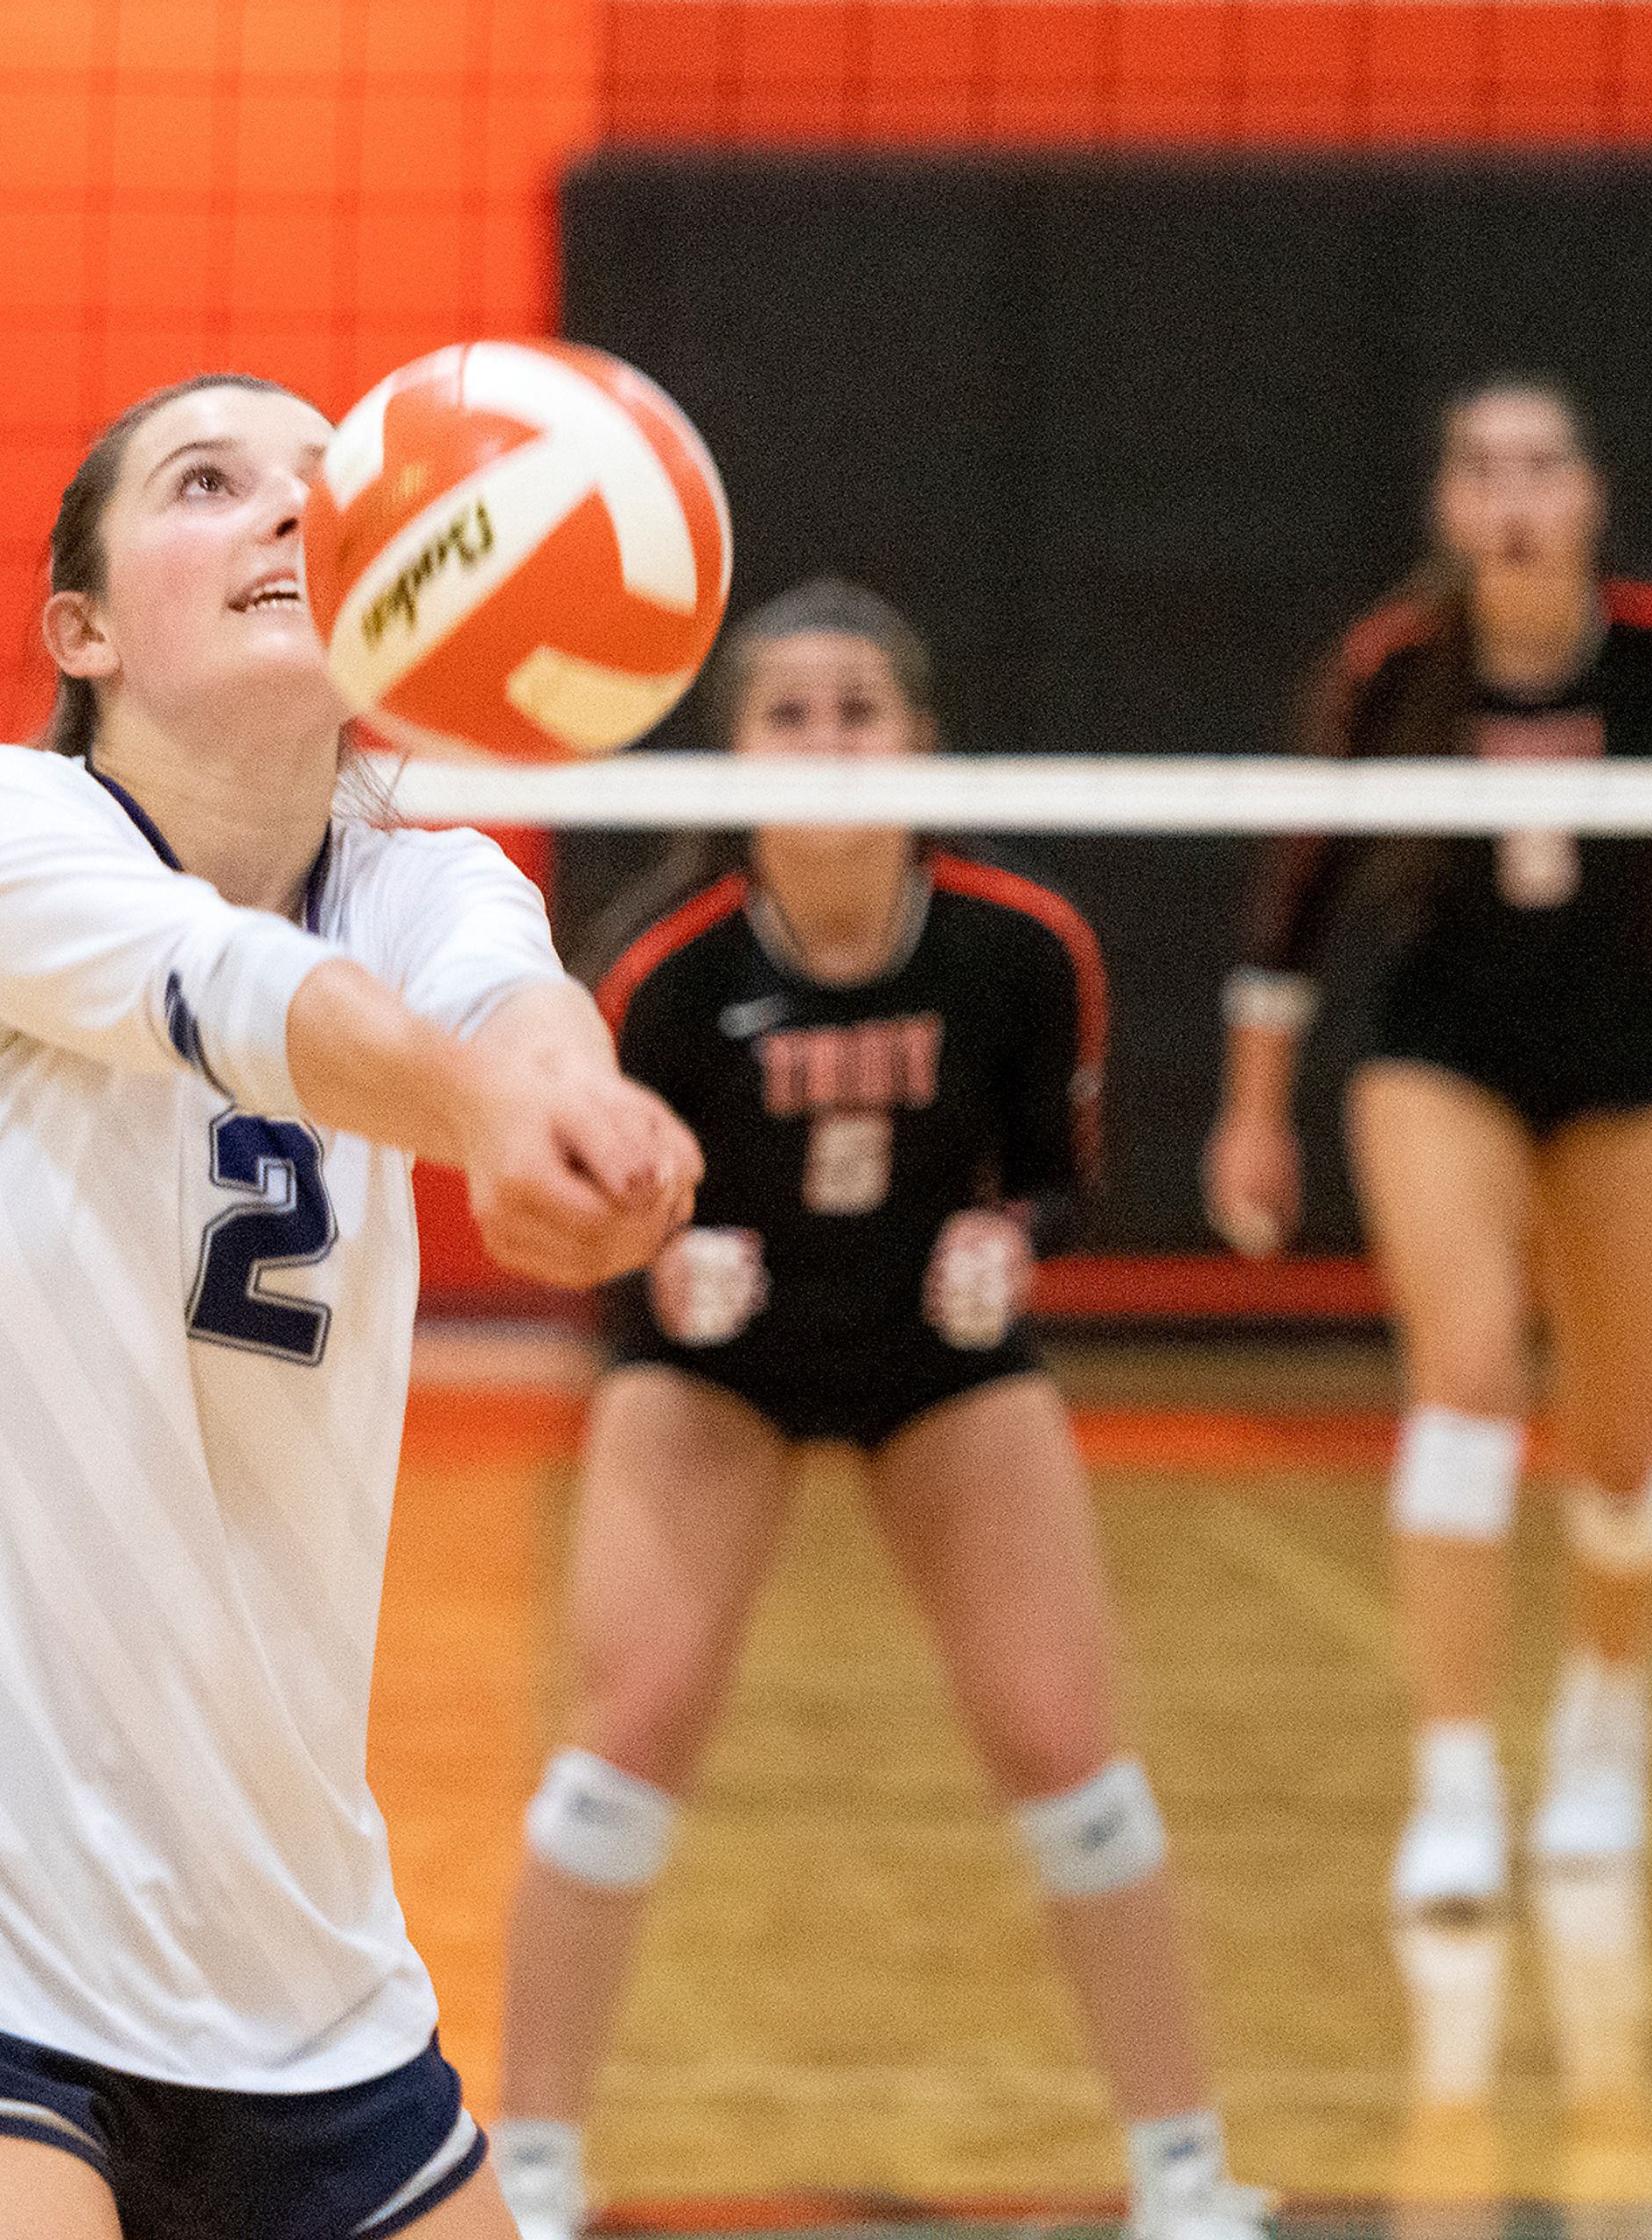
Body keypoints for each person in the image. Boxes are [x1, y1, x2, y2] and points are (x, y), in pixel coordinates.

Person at [0, 372, 701, 2240]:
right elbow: (235, 994)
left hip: (287, 1957)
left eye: (324, 490)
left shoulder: (426, 881)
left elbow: (509, 1003)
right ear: (80, 629)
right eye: (209, 484)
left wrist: (580, 1111)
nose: (285, 516)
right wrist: (488, 1110)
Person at [489, 582, 1265, 2240]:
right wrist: (655, 1269)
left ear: (921, 741)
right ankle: (533, 2164)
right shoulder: (664, 972)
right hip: (717, 1368)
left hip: (933, 1356)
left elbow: (1060, 1181)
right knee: (627, 1736)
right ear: (732, 757)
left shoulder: (1019, 945)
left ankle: (1185, 2173)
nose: (828, 742)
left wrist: (1011, 1239)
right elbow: (591, 1204)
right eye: (789, 712)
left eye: (861, 710)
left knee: (1068, 1750)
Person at [1206, 374, 1652, 1912]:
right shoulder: (1396, 667)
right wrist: (1255, 1112)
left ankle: (1604, 1727)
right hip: (1440, 1051)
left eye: (1543, 464)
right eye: (1484, 468)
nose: (1515, 495)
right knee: (1466, 1376)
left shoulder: (1645, 653)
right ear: (1451, 508)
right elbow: (1296, 901)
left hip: (1628, 1063)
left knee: (1625, 1447)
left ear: (1591, 496)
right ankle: (1454, 1780)